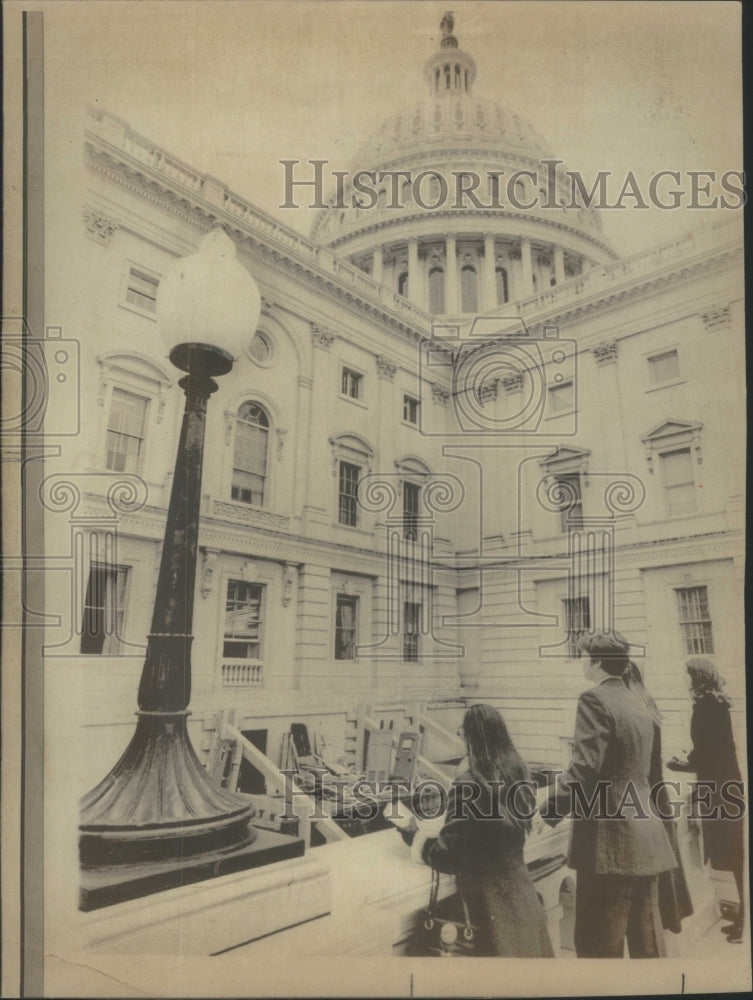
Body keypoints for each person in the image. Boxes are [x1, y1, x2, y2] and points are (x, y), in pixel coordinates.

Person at [540, 632, 678, 958]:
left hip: (608, 845)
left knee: (598, 946)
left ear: (597, 662)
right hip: (646, 837)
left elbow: (584, 768)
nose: (581, 661)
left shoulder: (594, 699)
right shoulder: (639, 700)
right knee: (648, 947)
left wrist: (548, 812)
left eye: (584, 655)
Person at [392, 703, 554, 957]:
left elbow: (448, 856)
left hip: (487, 907)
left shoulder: (468, 782)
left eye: (463, 734)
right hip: (523, 898)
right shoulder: (518, 774)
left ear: (471, 739)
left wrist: (415, 836)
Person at [667, 656, 745, 942]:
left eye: (686, 675)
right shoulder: (717, 704)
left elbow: (709, 754)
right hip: (728, 788)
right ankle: (741, 920)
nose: (684, 680)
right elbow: (715, 749)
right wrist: (691, 759)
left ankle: (743, 924)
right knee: (736, 859)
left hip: (720, 793)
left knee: (734, 859)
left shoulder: (705, 708)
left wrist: (681, 765)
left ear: (698, 677)